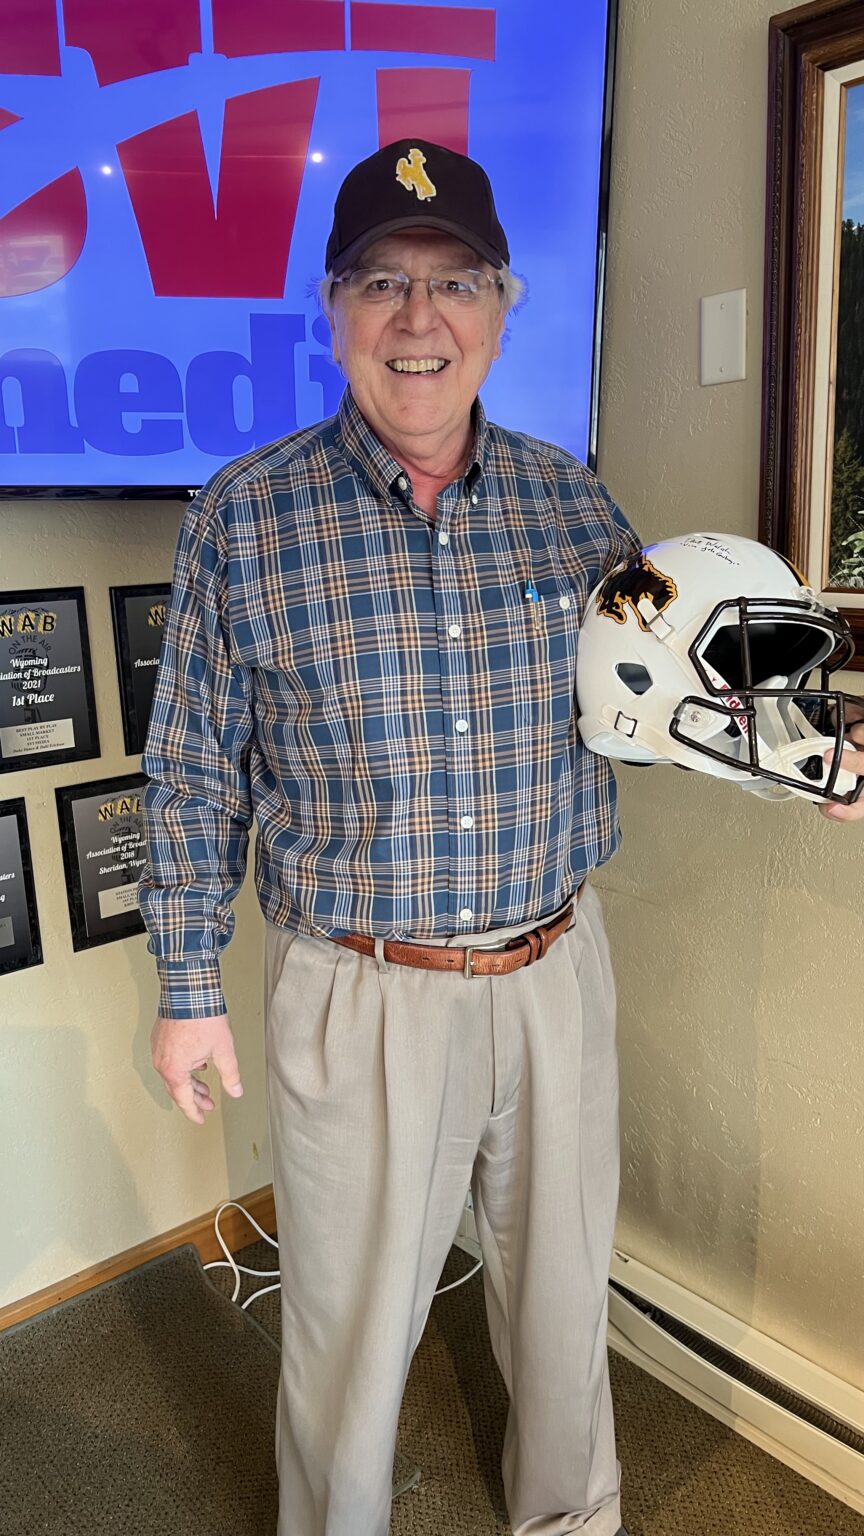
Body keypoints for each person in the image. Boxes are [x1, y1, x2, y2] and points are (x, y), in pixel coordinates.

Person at [139, 139, 864, 1536]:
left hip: (555, 971)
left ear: (501, 309)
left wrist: (806, 764)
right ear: (333, 310)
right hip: (362, 989)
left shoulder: (575, 505)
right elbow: (191, 773)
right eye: (382, 283)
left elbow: (666, 698)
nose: (420, 319)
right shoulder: (248, 517)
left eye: (456, 282)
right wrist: (185, 991)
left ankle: (569, 1521)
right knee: (349, 1333)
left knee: (563, 1295)